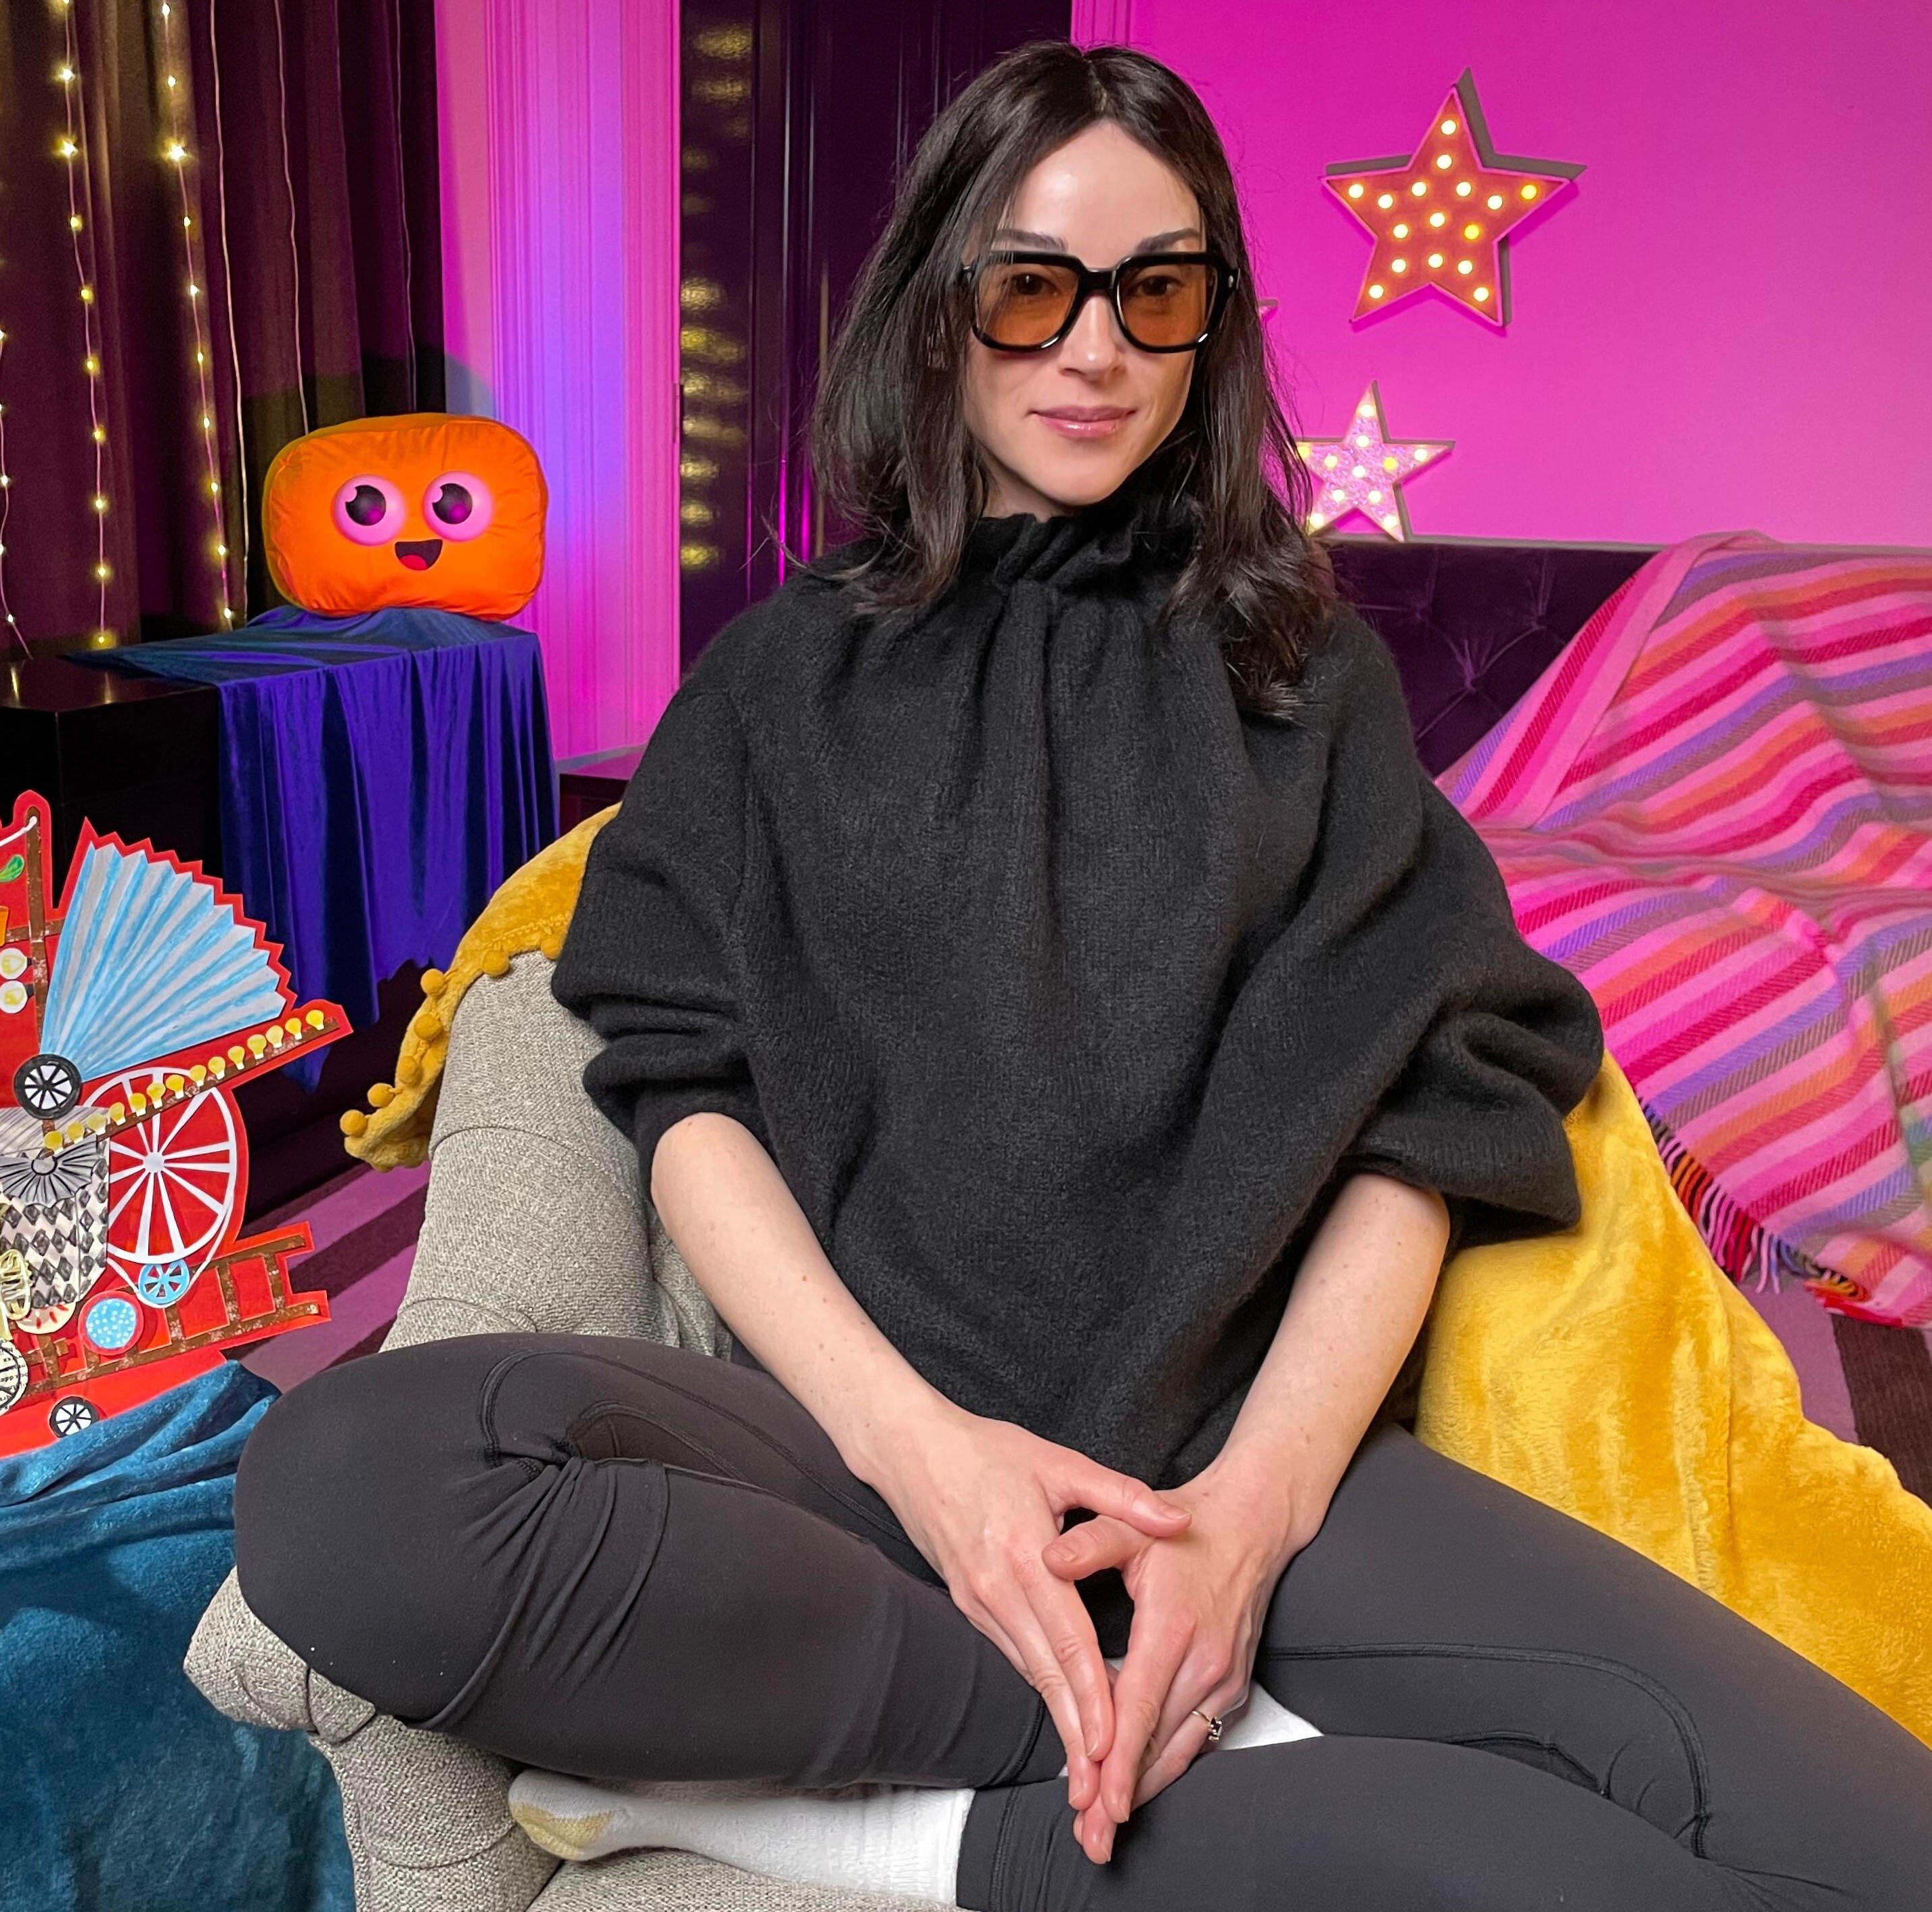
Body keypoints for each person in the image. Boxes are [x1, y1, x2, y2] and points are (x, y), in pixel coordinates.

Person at [234, 40, 1932, 1910]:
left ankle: (991, 1786)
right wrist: (931, 1462)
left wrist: (1249, 1526)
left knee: (1878, 1835)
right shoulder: (778, 681)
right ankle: (1076, 1773)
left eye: (1157, 292)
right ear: (939, 303)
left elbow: (1437, 1110)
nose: (1096, 349)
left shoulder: (1310, 681)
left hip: (1242, 1487)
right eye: (1033, 288)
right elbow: (677, 1083)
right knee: (341, 1483)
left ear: (1213, 325)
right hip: (865, 1474)